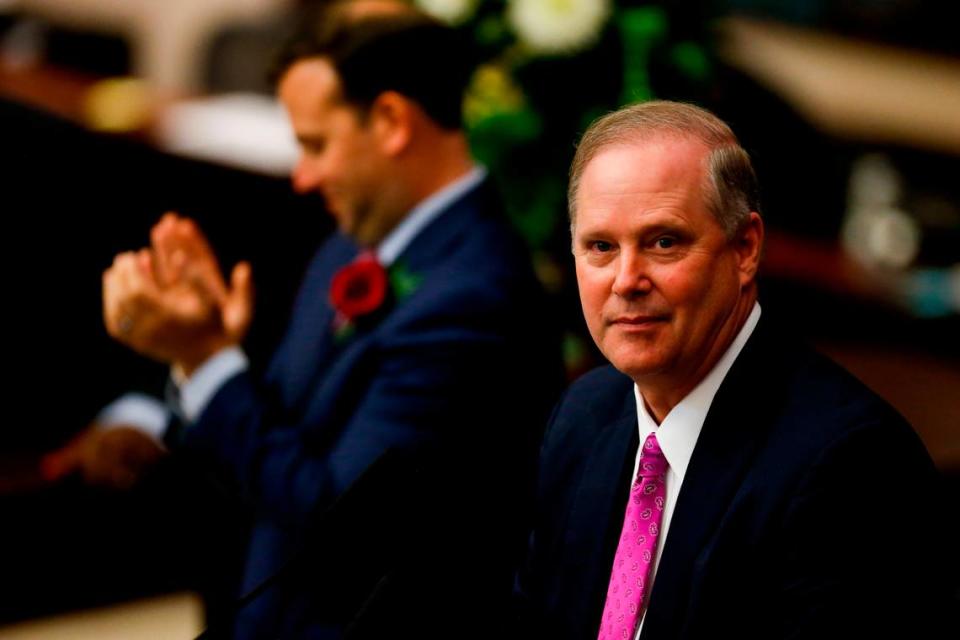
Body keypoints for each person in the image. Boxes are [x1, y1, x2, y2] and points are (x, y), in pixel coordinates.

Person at [95, 5, 561, 638]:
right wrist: (204, 346)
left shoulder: (474, 298)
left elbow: (339, 520)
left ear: (393, 121)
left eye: (316, 143)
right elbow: (287, 427)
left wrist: (206, 363)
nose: (302, 175)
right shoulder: (354, 242)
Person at [514, 101, 952, 639]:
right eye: (601, 247)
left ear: (745, 248)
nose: (626, 279)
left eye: (663, 242)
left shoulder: (849, 462)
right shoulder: (582, 417)